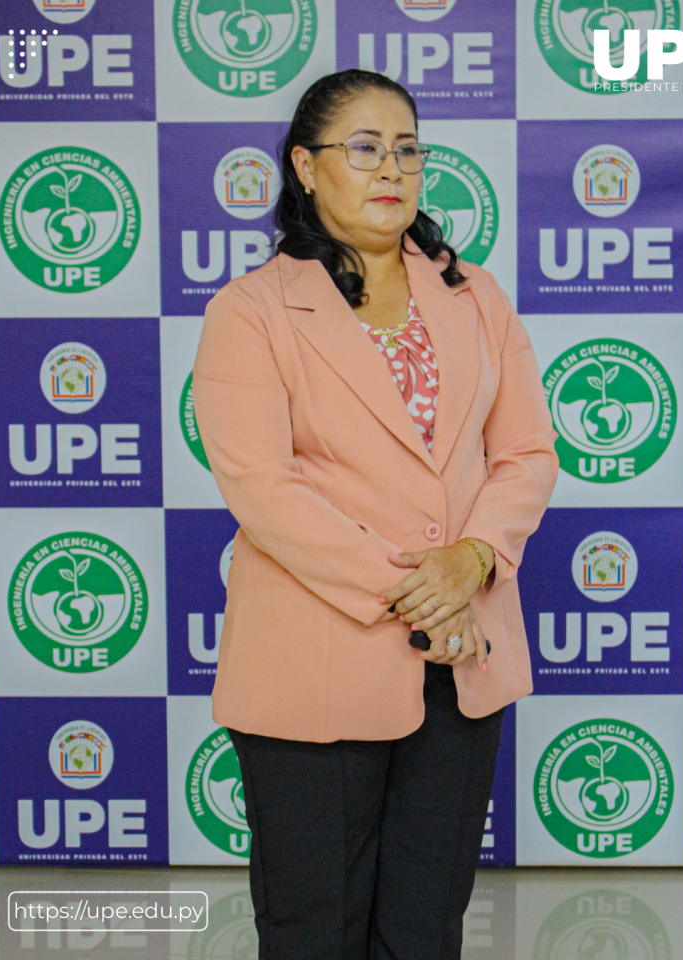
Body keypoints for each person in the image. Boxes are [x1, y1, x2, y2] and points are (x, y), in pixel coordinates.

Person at [193, 69, 558, 960]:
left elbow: (527, 456)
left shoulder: (475, 297)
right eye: (362, 148)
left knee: (426, 925)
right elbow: (261, 487)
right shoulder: (251, 311)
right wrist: (420, 590)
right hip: (316, 659)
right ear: (306, 169)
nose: (390, 168)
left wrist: (471, 560)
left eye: (407, 149)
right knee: (314, 926)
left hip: (461, 662)